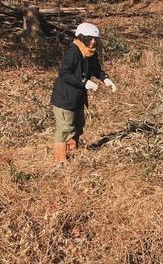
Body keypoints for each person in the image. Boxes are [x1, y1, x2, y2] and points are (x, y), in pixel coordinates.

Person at [50, 22, 117, 163]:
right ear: (81, 38)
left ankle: (73, 152)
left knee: (78, 125)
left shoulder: (91, 53)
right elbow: (64, 74)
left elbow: (96, 69)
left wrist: (105, 79)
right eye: (89, 39)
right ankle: (60, 159)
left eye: (95, 39)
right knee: (65, 128)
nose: (93, 42)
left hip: (78, 98)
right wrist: (84, 82)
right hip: (65, 98)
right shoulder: (73, 52)